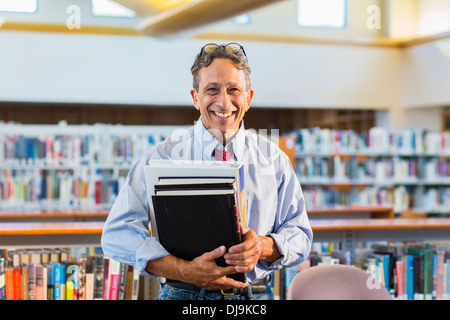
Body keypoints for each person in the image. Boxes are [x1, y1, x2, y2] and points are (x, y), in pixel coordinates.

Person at [101, 43, 313, 300]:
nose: (224, 101)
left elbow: (300, 235)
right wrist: (185, 270)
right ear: (195, 97)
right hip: (183, 293)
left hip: (255, 295)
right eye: (212, 90)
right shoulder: (161, 158)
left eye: (234, 89)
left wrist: (263, 247)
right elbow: (117, 234)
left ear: (248, 97)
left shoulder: (274, 160)